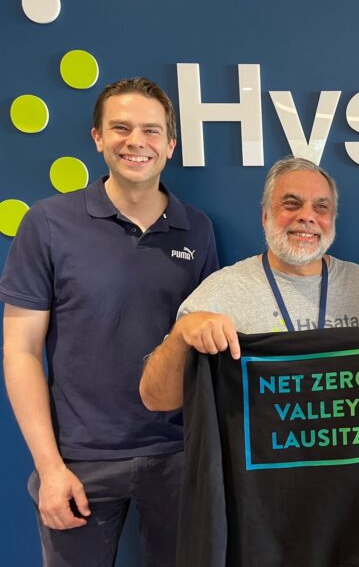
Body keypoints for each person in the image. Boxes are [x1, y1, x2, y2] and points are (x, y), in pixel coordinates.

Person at [0, 77, 219, 566]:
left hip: (178, 456)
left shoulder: (197, 228)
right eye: (120, 128)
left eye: (151, 130)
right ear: (98, 138)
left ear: (170, 145)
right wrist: (49, 468)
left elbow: (203, 344)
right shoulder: (48, 223)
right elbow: (20, 351)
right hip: (79, 461)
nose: (136, 141)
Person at [139, 155, 359, 414]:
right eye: (292, 204)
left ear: (332, 219)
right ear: (265, 215)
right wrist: (180, 336)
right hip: (260, 450)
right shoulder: (223, 290)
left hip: (347, 447)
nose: (307, 216)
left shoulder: (357, 282)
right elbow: (155, 398)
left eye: (321, 207)